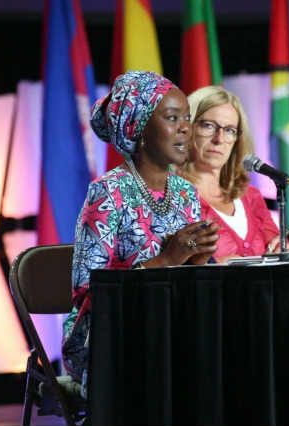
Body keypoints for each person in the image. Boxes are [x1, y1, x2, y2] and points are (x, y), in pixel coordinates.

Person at [62, 71, 219, 394]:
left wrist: (198, 262)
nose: (186, 128)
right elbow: (88, 288)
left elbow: (189, 280)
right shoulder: (108, 192)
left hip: (173, 324)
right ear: (140, 129)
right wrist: (168, 258)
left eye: (187, 118)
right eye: (173, 118)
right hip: (112, 334)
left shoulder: (186, 193)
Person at [179, 86, 285, 263]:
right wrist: (212, 265)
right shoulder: (173, 196)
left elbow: (277, 248)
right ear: (187, 128)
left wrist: (283, 248)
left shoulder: (251, 197)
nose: (219, 139)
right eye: (208, 126)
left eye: (229, 130)